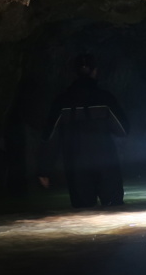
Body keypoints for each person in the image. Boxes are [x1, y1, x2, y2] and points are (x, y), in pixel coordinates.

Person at [37, 54, 130, 208]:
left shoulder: (62, 102)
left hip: (76, 167)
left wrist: (44, 170)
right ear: (95, 71)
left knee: (84, 213)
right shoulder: (105, 99)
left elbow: (50, 137)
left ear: (74, 73)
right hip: (106, 164)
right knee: (114, 210)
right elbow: (123, 130)